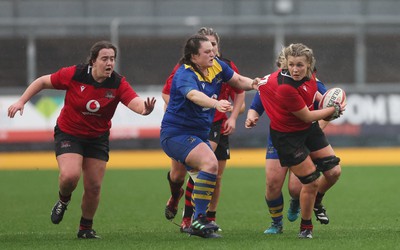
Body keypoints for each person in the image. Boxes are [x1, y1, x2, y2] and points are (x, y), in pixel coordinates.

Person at [7, 40, 156, 239]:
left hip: (97, 138)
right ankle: (63, 200)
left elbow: (135, 102)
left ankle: (85, 228)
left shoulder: (118, 83)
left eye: (112, 59)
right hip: (69, 133)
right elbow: (42, 81)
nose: (109, 63)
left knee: (93, 186)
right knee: (70, 176)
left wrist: (145, 110)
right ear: (93, 61)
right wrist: (21, 101)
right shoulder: (75, 74)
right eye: (104, 59)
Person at [160, 34, 258, 238]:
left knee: (206, 174)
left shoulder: (216, 66)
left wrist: (255, 84)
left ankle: (197, 220)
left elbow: (238, 81)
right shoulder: (184, 73)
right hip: (176, 134)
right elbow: (194, 95)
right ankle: (199, 219)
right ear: (194, 57)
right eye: (207, 52)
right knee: (210, 165)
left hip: (197, 134)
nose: (212, 53)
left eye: (213, 50)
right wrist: (216, 103)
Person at [256, 43, 344, 239]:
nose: (295, 70)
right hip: (287, 137)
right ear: (285, 64)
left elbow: (317, 97)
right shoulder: (286, 87)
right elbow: (306, 116)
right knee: (310, 182)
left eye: (299, 65)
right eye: (291, 65)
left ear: (309, 65)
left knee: (334, 171)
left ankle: (317, 200)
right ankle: (306, 228)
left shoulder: (312, 77)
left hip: (308, 130)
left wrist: (331, 102)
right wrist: (333, 110)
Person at [246, 76, 329, 235]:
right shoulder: (270, 82)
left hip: (303, 140)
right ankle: (276, 223)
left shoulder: (314, 84)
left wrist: (315, 133)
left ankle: (296, 201)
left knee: (296, 188)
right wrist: (251, 115)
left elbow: (327, 111)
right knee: (272, 184)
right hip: (280, 139)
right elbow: (256, 105)